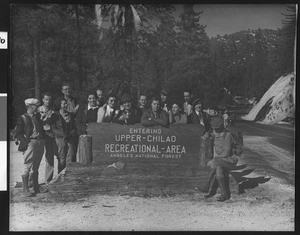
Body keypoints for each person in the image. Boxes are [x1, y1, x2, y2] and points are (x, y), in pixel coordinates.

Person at [202, 116, 238, 202]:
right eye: (214, 129)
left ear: (222, 127)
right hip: (221, 161)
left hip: (230, 160)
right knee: (218, 168)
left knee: (216, 162)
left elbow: (226, 153)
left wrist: (214, 160)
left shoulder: (227, 135)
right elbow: (210, 134)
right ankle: (224, 194)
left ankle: (207, 186)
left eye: (218, 129)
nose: (216, 130)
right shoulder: (215, 133)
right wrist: (207, 135)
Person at [15, 98, 45, 197]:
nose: (37, 107)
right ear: (30, 106)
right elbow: (18, 134)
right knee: (27, 165)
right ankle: (25, 190)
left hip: (40, 142)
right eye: (36, 106)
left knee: (36, 166)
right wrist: (27, 142)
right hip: (31, 142)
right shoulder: (22, 118)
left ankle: (36, 188)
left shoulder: (38, 117)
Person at [52, 97, 77, 173]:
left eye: (66, 103)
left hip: (70, 138)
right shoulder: (55, 115)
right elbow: (53, 129)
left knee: (70, 157)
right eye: (64, 104)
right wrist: (63, 135)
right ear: (59, 105)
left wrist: (70, 134)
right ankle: (60, 175)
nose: (65, 105)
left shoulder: (71, 115)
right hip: (60, 138)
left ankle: (69, 175)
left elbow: (74, 127)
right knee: (62, 158)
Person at [38, 92, 55, 185]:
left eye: (49, 99)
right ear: (43, 100)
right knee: (37, 157)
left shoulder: (52, 111)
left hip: (49, 136)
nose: (48, 101)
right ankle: (31, 180)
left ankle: (48, 180)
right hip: (40, 135)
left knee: (49, 157)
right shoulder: (38, 110)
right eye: (46, 99)